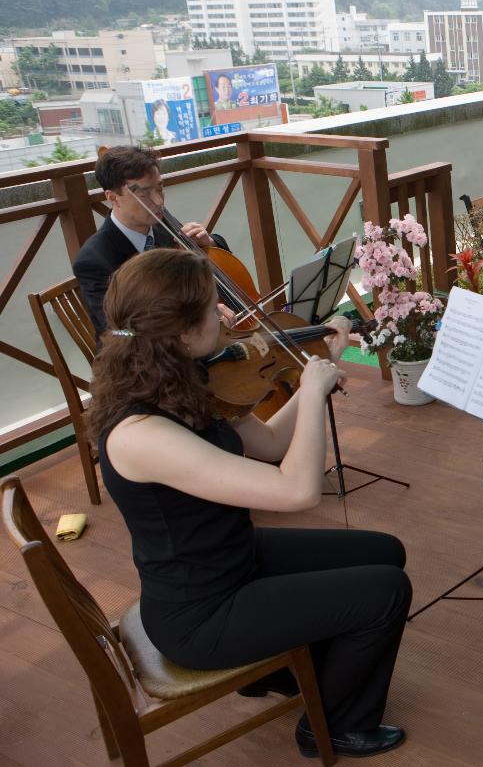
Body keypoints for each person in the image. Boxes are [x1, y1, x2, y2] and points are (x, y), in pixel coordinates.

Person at [87, 249, 411, 759]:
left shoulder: (184, 381)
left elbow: (270, 446)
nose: (225, 315)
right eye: (213, 308)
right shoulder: (140, 434)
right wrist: (313, 384)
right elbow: (297, 491)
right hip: (201, 614)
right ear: (182, 331)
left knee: (385, 553)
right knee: (386, 591)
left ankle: (289, 672)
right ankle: (336, 724)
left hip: (231, 558)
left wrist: (322, 371)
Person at [73, 146, 231, 338]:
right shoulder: (94, 260)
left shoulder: (163, 224)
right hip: (140, 360)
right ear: (112, 197)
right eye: (144, 194)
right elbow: (117, 332)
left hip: (191, 345)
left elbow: (209, 262)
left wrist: (208, 243)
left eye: (160, 188)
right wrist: (194, 319)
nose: (158, 201)